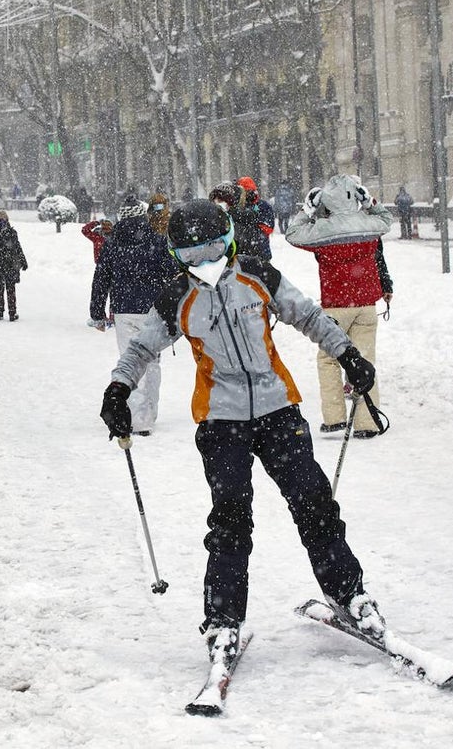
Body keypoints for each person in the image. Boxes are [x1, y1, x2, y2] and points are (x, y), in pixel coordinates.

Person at [98, 199, 386, 674]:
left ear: (229, 240)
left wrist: (347, 354)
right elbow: (141, 347)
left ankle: (349, 594)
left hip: (278, 412)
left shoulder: (258, 276)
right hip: (220, 422)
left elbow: (309, 316)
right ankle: (223, 620)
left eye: (213, 250)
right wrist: (118, 389)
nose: (204, 263)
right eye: (192, 255)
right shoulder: (176, 298)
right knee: (230, 522)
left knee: (315, 505)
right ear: (176, 255)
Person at [286, 174, 394, 439]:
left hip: (336, 304)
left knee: (329, 359)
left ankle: (334, 418)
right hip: (366, 304)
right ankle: (367, 421)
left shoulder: (324, 229)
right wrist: (369, 202)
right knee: (365, 360)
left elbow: (293, 234)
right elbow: (386, 220)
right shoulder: (368, 224)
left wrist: (307, 210)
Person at [90, 194, 179, 435]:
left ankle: (137, 415)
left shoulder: (112, 243)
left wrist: (97, 312)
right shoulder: (156, 241)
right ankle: (147, 413)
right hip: (152, 309)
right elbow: (173, 273)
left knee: (131, 360)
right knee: (152, 363)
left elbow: (101, 279)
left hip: (123, 310)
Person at [0, 210, 28, 321]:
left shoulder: (13, 232)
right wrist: (4, 241)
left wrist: (23, 260)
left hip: (10, 264)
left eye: (4, 218)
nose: (2, 220)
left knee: (11, 289)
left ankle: (12, 313)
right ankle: (0, 312)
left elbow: (17, 247)